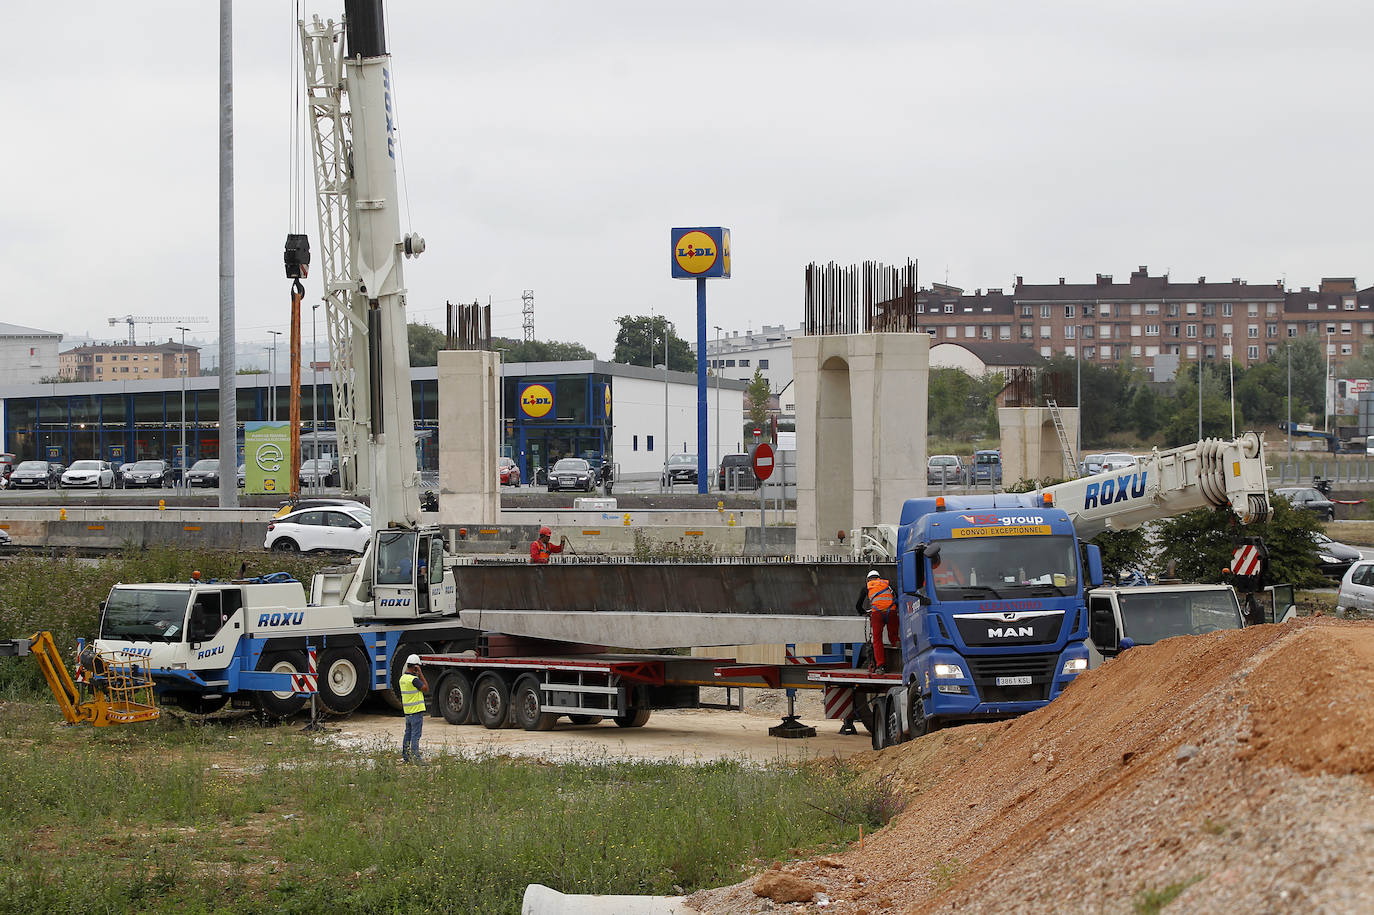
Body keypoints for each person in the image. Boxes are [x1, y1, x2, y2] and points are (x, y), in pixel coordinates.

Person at [856, 569, 899, 673]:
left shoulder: (867, 586)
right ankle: (899, 663)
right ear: (879, 577)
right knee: (894, 637)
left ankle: (881, 666)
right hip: (891, 612)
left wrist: (864, 612)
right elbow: (897, 597)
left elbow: (858, 606)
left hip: (877, 614)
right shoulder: (888, 584)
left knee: (877, 640)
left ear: (868, 580)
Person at [398, 654, 429, 764]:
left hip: (408, 712)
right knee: (415, 736)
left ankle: (406, 757)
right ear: (415, 667)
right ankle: (417, 759)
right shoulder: (414, 680)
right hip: (416, 712)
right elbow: (426, 688)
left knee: (408, 735)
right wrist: (420, 674)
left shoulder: (402, 679)